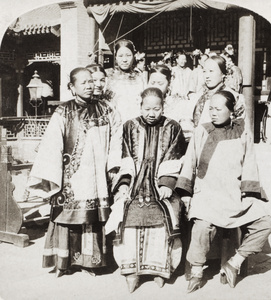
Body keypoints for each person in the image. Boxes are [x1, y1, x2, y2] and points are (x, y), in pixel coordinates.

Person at [27, 67, 122, 277]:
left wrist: (113, 165)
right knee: (68, 216)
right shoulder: (64, 111)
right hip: (73, 175)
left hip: (97, 174)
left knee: (93, 217)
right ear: (72, 87)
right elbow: (52, 143)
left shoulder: (107, 109)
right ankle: (65, 262)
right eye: (84, 82)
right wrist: (52, 174)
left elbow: (117, 138)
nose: (90, 86)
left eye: (92, 81)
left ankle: (92, 263)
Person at [175, 90, 271, 293]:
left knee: (264, 224)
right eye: (211, 108)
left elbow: (249, 164)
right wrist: (186, 193)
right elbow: (190, 161)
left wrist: (248, 194)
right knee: (202, 227)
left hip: (234, 194)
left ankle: (235, 262)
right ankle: (197, 271)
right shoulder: (202, 130)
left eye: (218, 109)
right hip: (207, 193)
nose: (213, 113)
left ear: (231, 110)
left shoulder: (243, 131)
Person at [108, 87, 187, 293]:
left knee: (164, 219)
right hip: (135, 183)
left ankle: (160, 270)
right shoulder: (129, 126)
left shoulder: (173, 127)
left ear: (163, 106)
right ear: (140, 106)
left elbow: (175, 158)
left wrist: (167, 183)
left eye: (156, 108)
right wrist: (124, 184)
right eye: (147, 108)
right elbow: (124, 157)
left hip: (160, 185)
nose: (151, 113)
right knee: (128, 216)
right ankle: (131, 271)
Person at [190, 55, 245, 129]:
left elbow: (239, 127)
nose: (207, 76)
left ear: (223, 74)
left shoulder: (235, 97)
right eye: (204, 71)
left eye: (211, 71)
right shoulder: (199, 96)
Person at [147, 64, 194, 142]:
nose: (155, 87)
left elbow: (187, 136)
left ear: (169, 83)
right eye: (152, 83)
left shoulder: (179, 104)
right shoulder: (142, 102)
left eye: (160, 83)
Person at [106, 39, 145, 123]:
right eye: (120, 56)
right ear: (115, 57)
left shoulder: (140, 78)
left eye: (128, 55)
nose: (124, 60)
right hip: (116, 123)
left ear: (133, 56)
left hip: (137, 121)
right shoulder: (109, 78)